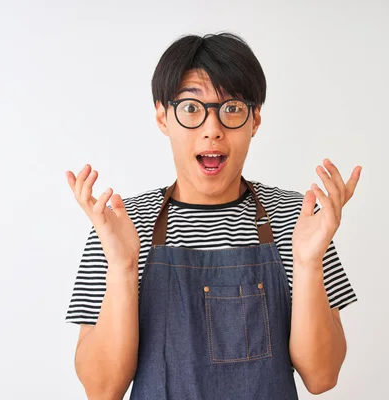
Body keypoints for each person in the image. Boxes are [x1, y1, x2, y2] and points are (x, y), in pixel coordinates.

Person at [65, 32, 362, 400]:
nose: (212, 130)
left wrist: (308, 261)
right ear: (162, 116)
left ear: (255, 120)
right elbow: (102, 388)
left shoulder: (298, 219)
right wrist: (123, 267)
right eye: (191, 108)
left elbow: (323, 376)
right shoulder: (120, 226)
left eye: (232, 108)